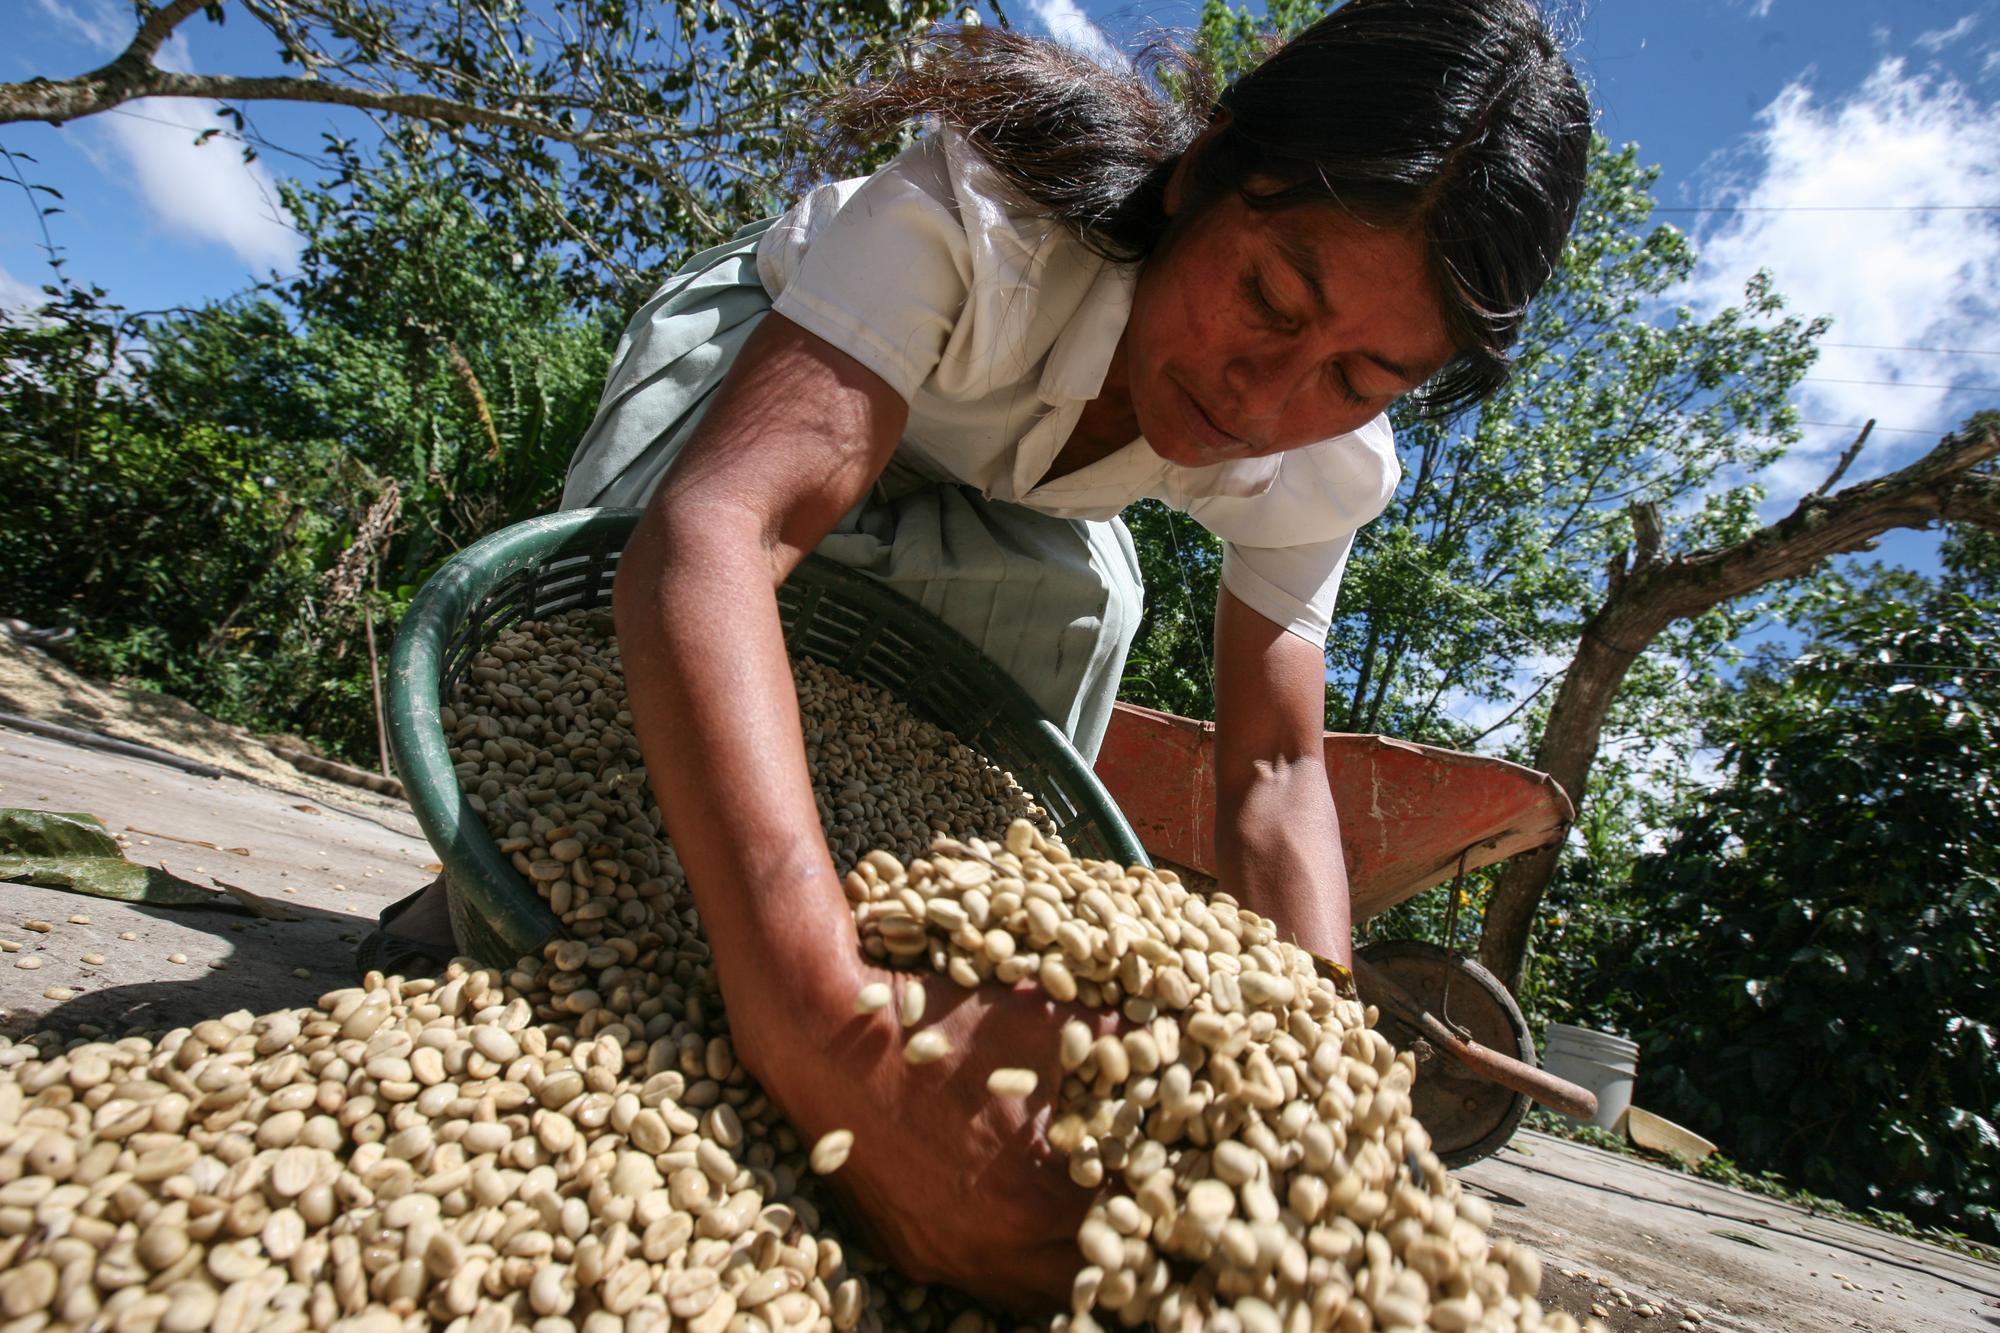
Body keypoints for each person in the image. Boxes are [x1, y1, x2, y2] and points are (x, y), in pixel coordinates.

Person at [372, 0, 1590, 1306]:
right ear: (1204, 166)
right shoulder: (981, 217)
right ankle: (518, 894)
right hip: (769, 369)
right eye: (1268, 295)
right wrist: (825, 1034)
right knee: (617, 614)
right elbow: (722, 531)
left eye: (1360, 376)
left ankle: (859, 934)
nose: (1264, 399)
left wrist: (1325, 1116)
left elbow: (1279, 772)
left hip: (999, 488)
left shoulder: (1325, 460)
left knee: (1090, 603)